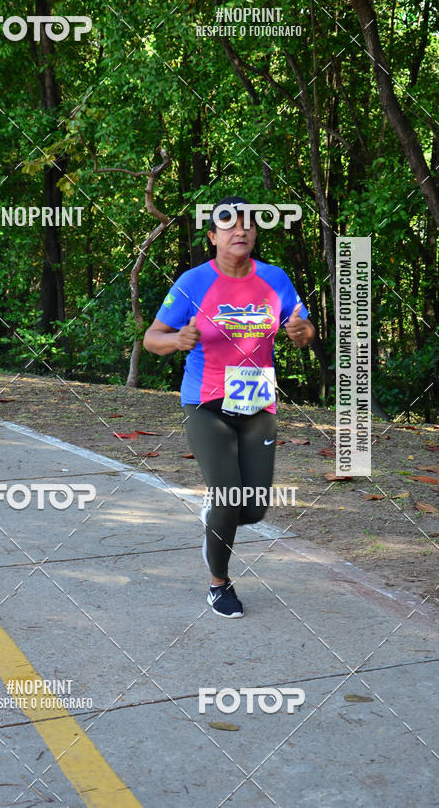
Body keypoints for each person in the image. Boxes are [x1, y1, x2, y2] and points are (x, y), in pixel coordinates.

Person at [143, 197, 315, 618]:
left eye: (247, 225)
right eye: (229, 225)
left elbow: (305, 330)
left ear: (255, 233)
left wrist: (301, 332)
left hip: (258, 403)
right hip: (206, 403)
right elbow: (152, 337)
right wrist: (176, 340)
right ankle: (219, 584)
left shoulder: (275, 278)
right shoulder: (193, 282)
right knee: (228, 496)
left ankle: (216, 518)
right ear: (212, 236)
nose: (240, 231)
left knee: (252, 508)